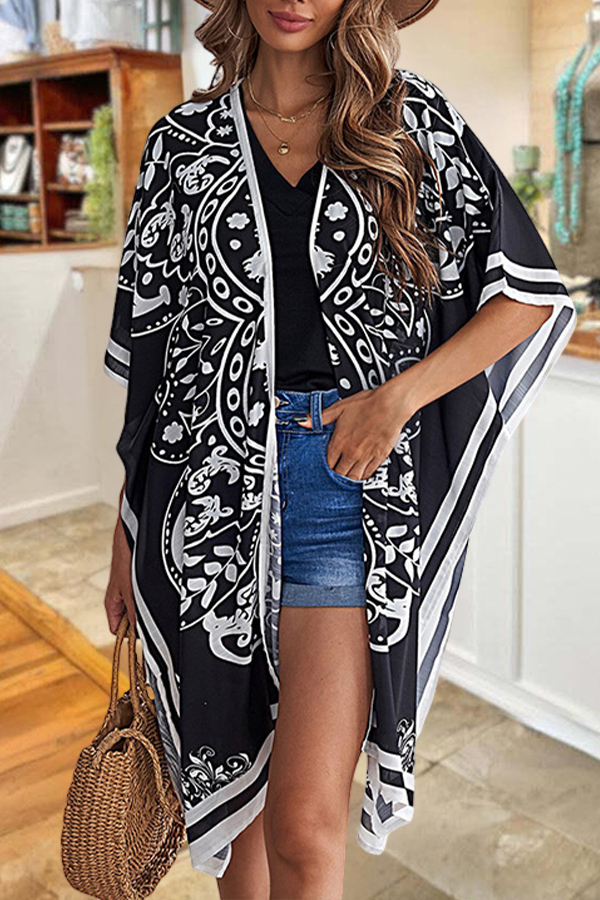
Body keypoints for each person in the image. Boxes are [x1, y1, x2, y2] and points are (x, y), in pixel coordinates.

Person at [103, 1, 577, 898]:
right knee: (232, 811)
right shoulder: (180, 146)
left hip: (344, 491)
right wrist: (127, 532)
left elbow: (525, 295)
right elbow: (154, 367)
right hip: (199, 501)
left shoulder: (408, 121)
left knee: (305, 825)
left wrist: (396, 401)